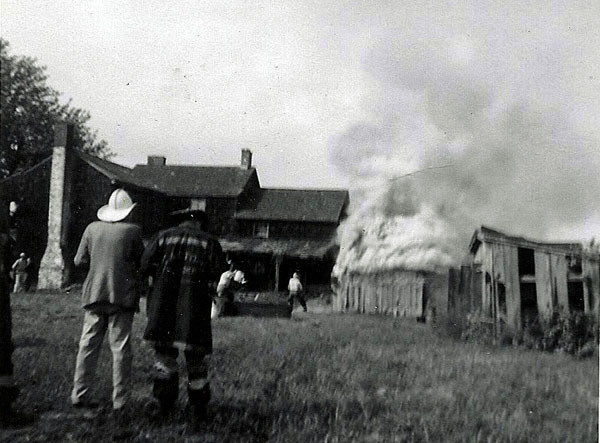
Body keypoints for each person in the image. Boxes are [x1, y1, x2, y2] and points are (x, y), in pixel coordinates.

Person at [141, 208, 224, 422]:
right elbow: (219, 273)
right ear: (198, 223)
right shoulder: (209, 242)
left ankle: (164, 406)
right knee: (196, 361)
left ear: (180, 221)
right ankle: (198, 409)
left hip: (163, 309)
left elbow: (144, 265)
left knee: (165, 358)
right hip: (194, 311)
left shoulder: (162, 237)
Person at [71, 189, 144, 412]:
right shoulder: (133, 231)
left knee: (88, 345)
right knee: (120, 349)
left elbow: (78, 261)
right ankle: (120, 400)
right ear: (127, 212)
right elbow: (142, 262)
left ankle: (80, 393)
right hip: (122, 297)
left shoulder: (92, 228)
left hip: (94, 295)